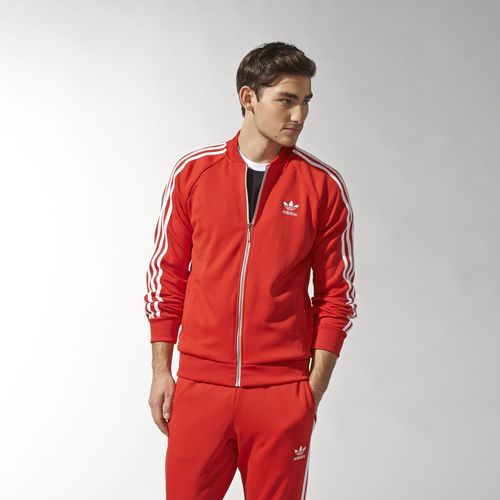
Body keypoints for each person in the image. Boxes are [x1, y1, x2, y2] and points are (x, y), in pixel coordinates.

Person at [144, 41, 357, 500]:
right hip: (200, 389)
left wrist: (310, 393)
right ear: (249, 98)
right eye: (286, 100)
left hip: (280, 393)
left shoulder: (322, 186)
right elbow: (167, 276)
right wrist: (162, 370)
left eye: (306, 102)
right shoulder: (193, 174)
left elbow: (337, 297)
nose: (299, 115)